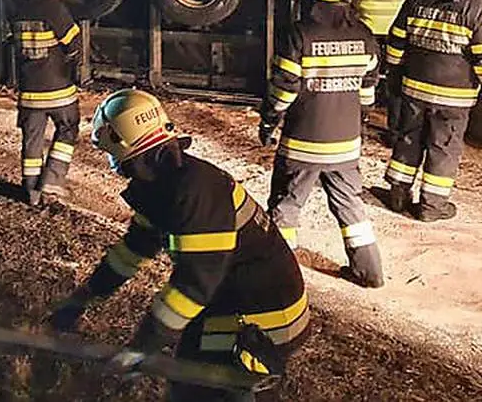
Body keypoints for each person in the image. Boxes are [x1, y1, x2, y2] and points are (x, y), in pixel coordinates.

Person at [50, 89, 308, 400]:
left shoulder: (193, 193)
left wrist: (142, 347)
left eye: (109, 150)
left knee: (202, 391)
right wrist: (83, 299)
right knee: (187, 377)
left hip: (263, 317)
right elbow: (133, 250)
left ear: (122, 143)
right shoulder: (167, 182)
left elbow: (194, 287)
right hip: (235, 301)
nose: (110, 161)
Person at [258, 0, 385, 289]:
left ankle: (278, 275)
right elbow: (367, 93)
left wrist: (269, 121)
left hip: (303, 144)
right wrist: (358, 123)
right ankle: (369, 272)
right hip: (346, 145)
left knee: (286, 205)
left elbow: (284, 90)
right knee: (350, 205)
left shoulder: (299, 35)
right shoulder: (365, 35)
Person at [382, 0, 482, 222]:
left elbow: (396, 43)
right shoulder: (476, 8)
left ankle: (398, 194)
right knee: (443, 148)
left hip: (414, 90)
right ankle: (431, 206)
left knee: (408, 139)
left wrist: (393, 75)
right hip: (453, 99)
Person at [352, 0, 429, 143]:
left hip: (368, 25)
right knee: (396, 79)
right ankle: (395, 132)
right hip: (399, 27)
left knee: (364, 77)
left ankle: (357, 127)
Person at [13, 0, 81, 206]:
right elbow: (73, 43)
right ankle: (52, 180)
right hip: (58, 89)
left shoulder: (17, 11)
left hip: (29, 93)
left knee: (32, 140)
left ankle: (31, 190)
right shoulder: (55, 9)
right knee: (67, 128)